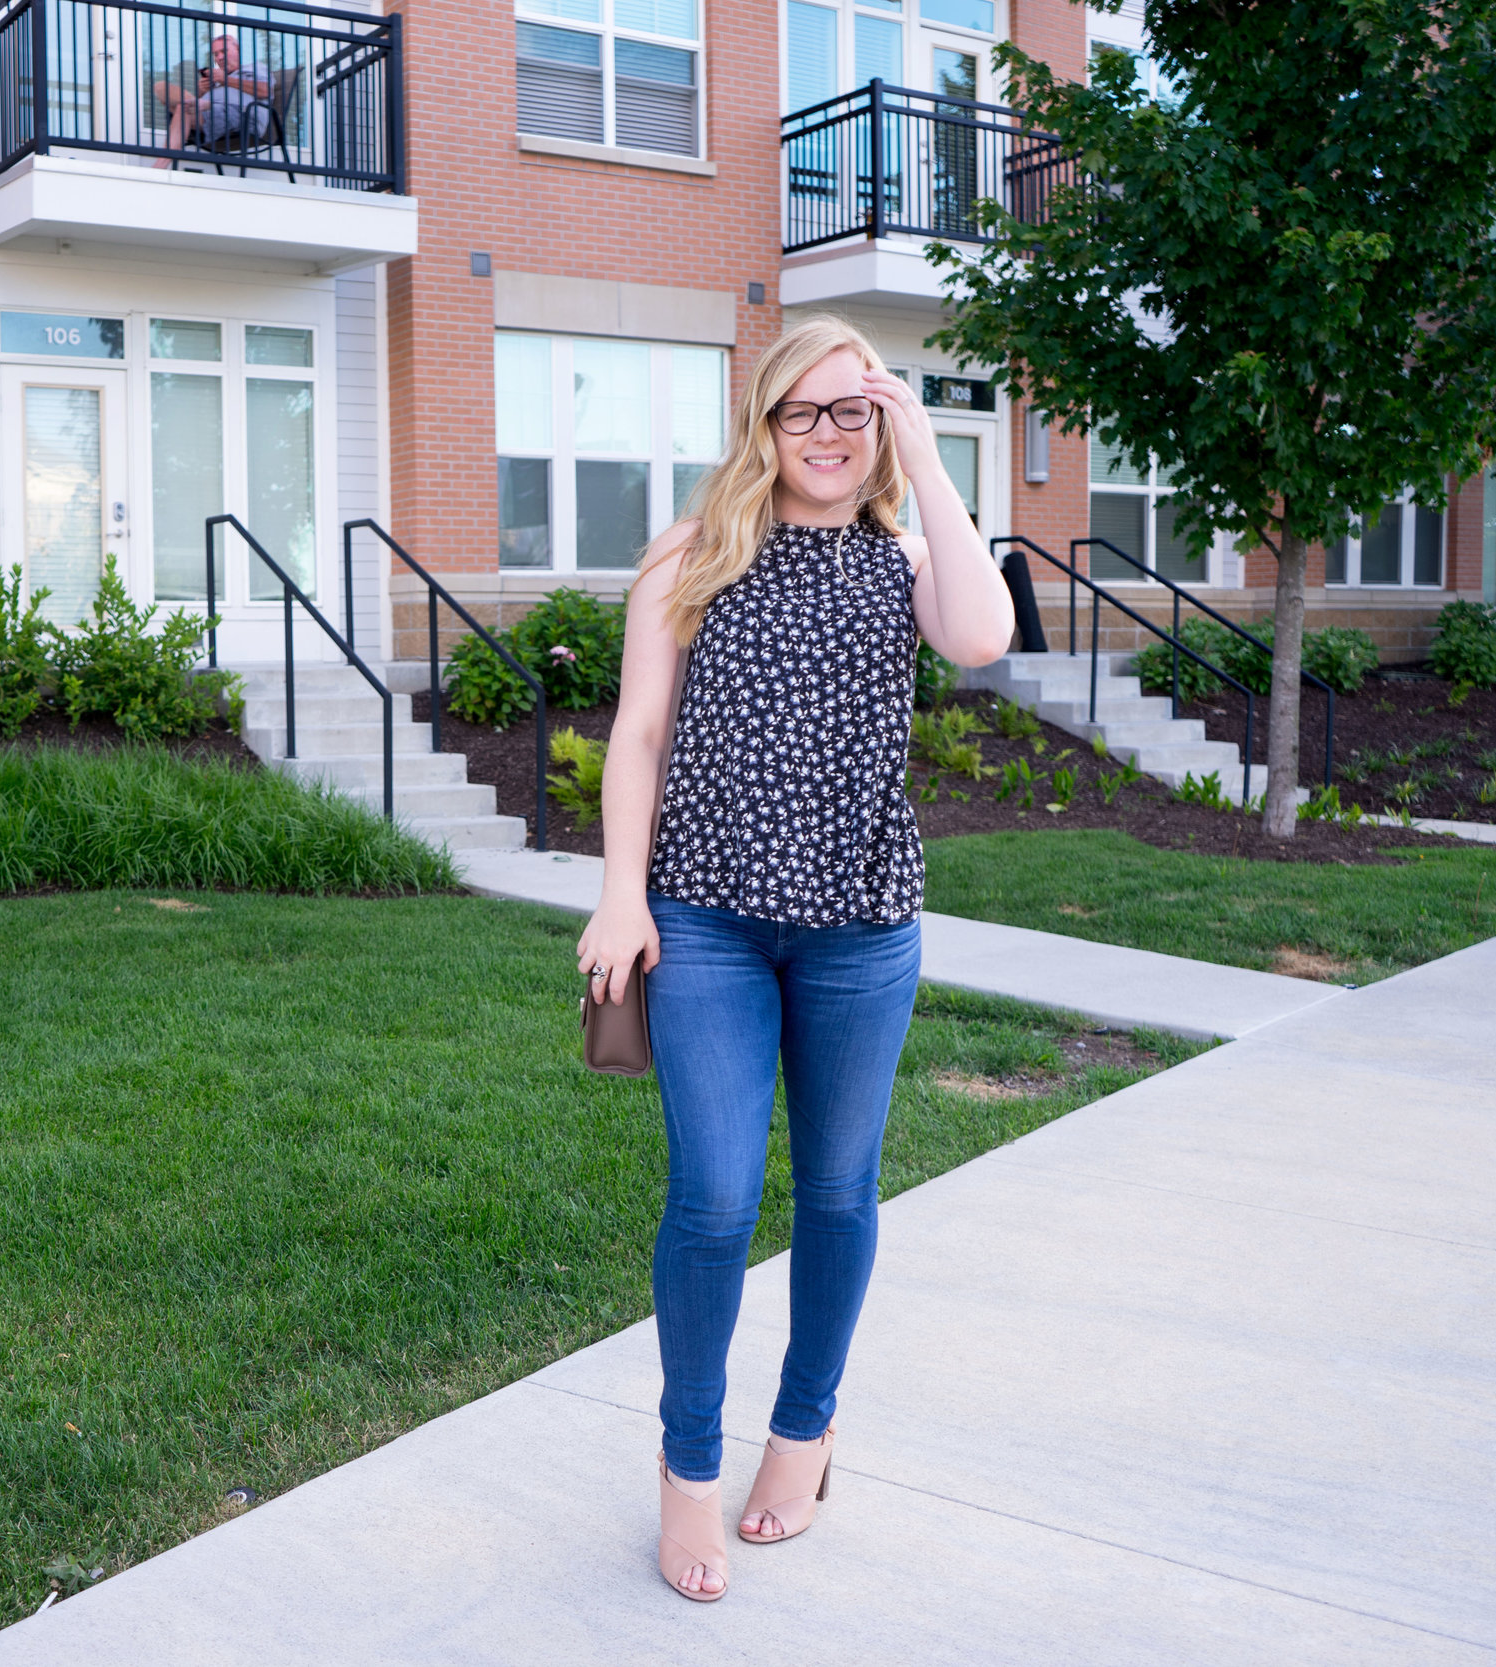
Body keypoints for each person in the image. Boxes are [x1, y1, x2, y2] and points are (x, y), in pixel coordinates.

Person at [573, 314, 1016, 1603]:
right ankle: (686, 1469)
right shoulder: (692, 553)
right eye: (802, 412)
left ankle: (805, 1435)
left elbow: (983, 637)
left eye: (853, 411)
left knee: (835, 1190)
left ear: (880, 423)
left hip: (862, 926)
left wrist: (928, 454)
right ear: (762, 424)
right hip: (704, 916)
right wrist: (619, 896)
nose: (827, 436)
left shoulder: (906, 556)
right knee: (712, 1195)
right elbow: (639, 736)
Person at [154, 33, 273, 160]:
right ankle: (194, 103)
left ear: (237, 49)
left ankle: (161, 164)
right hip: (208, 113)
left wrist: (226, 80)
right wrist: (202, 91)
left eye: (224, 51)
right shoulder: (217, 79)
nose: (220, 57)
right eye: (216, 54)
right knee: (161, 87)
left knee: (184, 108)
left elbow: (265, 91)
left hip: (241, 116)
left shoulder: (255, 68)